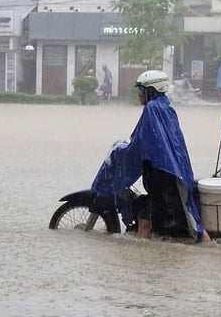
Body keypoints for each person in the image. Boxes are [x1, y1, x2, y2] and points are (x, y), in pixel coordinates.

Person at [90, 70, 211, 243]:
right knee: (183, 218)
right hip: (169, 175)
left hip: (164, 180)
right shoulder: (164, 107)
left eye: (142, 90)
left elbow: (143, 143)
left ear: (151, 90)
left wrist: (120, 152)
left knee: (148, 216)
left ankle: (143, 252)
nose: (139, 94)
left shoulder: (153, 109)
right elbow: (149, 140)